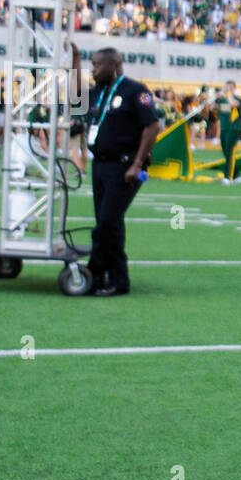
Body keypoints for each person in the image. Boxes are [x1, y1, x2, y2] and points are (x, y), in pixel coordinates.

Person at [75, 44, 159, 296]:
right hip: (100, 165)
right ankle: (117, 279)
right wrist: (75, 60)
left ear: (114, 65)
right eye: (91, 64)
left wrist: (136, 164)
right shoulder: (99, 91)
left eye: (97, 65)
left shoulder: (136, 91)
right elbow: (75, 94)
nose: (93, 69)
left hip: (125, 167)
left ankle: (94, 273)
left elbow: (152, 126)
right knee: (109, 223)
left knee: (107, 223)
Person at [216, 81, 241, 184]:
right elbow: (217, 110)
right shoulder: (222, 100)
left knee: (230, 151)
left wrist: (228, 94)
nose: (228, 88)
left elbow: (233, 104)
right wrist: (217, 95)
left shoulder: (238, 99)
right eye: (227, 86)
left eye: (231, 87)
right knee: (226, 152)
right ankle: (237, 175)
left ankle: (228, 177)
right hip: (224, 128)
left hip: (234, 128)